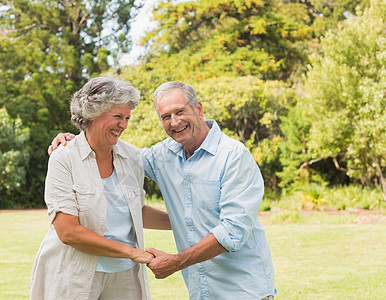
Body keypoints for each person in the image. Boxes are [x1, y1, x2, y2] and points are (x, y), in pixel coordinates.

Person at [50, 81, 276, 300]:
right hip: (200, 289)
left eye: (180, 111)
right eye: (166, 116)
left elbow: (233, 232)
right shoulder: (162, 155)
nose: (174, 122)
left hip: (245, 289)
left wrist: (176, 261)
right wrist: (75, 139)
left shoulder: (233, 156)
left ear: (198, 109)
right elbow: (108, 151)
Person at [31, 77, 171, 300]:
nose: (123, 125)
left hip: (125, 277)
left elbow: (135, 211)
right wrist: (134, 253)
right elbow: (68, 232)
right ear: (92, 113)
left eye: (126, 118)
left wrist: (181, 222)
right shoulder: (64, 157)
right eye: (117, 116)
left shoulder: (132, 156)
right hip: (75, 274)